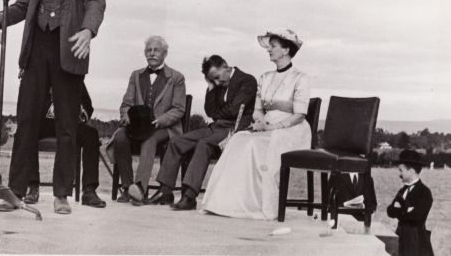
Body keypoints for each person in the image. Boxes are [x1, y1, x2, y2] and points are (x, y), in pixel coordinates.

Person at [0, 0, 106, 214]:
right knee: (26, 122)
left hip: (69, 51)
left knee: (67, 125)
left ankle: (61, 194)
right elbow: (23, 6)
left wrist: (88, 31)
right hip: (36, 49)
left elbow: (96, 2)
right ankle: (15, 191)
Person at [201, 29, 310, 220]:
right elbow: (258, 109)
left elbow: (299, 115)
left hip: (291, 129)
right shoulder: (265, 77)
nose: (269, 49)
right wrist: (260, 121)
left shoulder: (300, 78)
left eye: (273, 46)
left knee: (253, 145)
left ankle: (261, 205)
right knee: (237, 140)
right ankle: (229, 204)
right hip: (265, 125)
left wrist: (272, 128)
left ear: (285, 50)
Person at [151, 55, 257, 210]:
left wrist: (219, 113)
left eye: (217, 77)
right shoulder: (217, 84)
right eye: (212, 79)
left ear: (226, 67)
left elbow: (234, 110)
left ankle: (189, 196)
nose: (217, 82)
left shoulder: (247, 80)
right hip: (215, 127)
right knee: (176, 142)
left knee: (204, 144)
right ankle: (165, 191)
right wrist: (211, 87)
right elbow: (210, 111)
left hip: (234, 129)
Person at [107, 36, 186, 205]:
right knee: (120, 137)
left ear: (165, 53)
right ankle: (128, 189)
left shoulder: (177, 78)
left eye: (156, 50)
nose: (152, 53)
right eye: (148, 50)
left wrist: (160, 120)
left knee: (150, 139)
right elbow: (126, 104)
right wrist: (126, 116)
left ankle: (140, 190)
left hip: (165, 128)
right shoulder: (136, 75)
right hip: (137, 127)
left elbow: (179, 109)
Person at [22, 82, 106, 208]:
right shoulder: (41, 74)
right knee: (28, 132)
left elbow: (88, 105)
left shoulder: (72, 76)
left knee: (91, 134)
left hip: (69, 124)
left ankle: (89, 191)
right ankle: (33, 186)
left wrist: (81, 112)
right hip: (45, 124)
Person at [387, 149, 434, 256]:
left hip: (416, 240)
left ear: (411, 170)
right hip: (400, 237)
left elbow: (416, 216)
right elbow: (389, 211)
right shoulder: (402, 191)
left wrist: (399, 210)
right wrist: (406, 210)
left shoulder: (424, 192)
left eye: (401, 170)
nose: (399, 174)